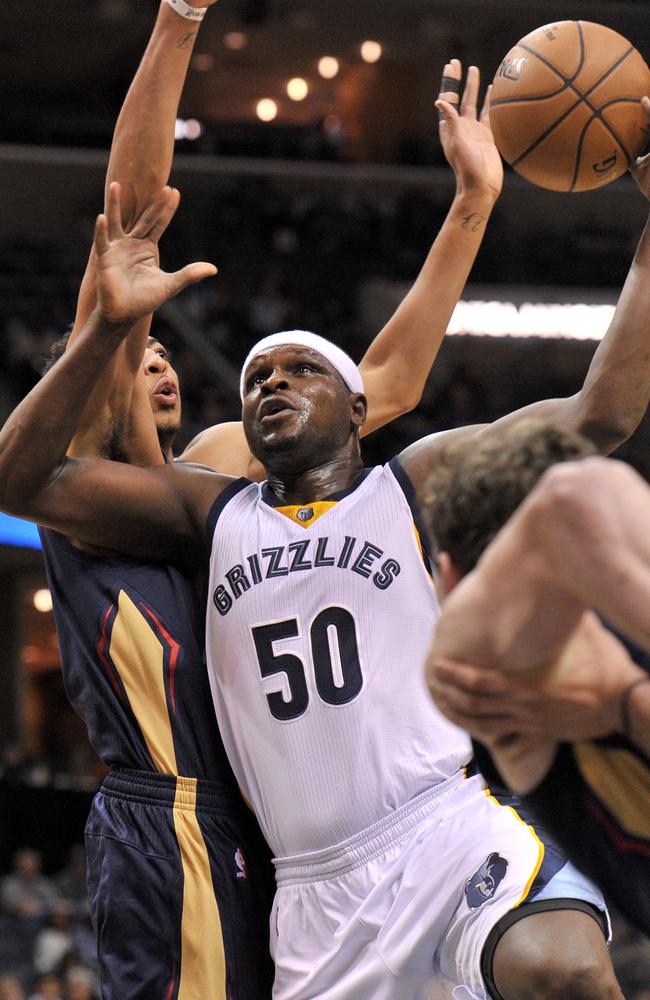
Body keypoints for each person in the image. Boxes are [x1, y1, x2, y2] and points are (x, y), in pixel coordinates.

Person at [12, 170, 650, 998]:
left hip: (444, 833)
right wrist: (107, 327)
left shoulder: (412, 482)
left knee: (565, 972)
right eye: (255, 379)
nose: (270, 382)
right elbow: (22, 484)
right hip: (312, 893)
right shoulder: (211, 512)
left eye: (298, 369)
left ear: (357, 407)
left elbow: (600, 412)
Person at [36, 4, 512, 996]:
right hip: (164, 813)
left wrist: (471, 203)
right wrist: (175, 25)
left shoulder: (219, 476)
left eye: (172, 356)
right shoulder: (86, 465)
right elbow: (128, 213)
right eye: (144, 355)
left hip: (269, 834)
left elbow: (389, 377)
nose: (160, 367)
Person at [422, 420, 650, 934]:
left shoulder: (473, 667)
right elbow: (574, 496)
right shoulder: (493, 674)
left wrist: (624, 705)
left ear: (448, 571)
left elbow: (570, 500)